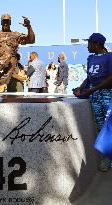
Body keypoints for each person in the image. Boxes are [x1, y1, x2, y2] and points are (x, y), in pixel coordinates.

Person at [73, 33, 112, 172]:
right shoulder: (91, 58)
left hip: (108, 94)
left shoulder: (109, 57)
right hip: (94, 95)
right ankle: (107, 157)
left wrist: (93, 89)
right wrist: (81, 87)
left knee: (110, 126)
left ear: (96, 44)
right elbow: (89, 78)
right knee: (101, 126)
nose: (87, 45)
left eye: (89, 42)